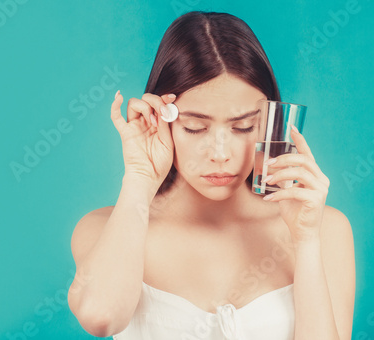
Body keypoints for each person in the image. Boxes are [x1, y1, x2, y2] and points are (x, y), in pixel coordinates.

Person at [67, 11, 356, 340]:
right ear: (164, 120)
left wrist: (305, 241)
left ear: (268, 122)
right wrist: (139, 177)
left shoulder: (324, 229)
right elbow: (100, 318)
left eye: (243, 126)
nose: (220, 153)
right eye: (195, 128)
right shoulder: (104, 229)